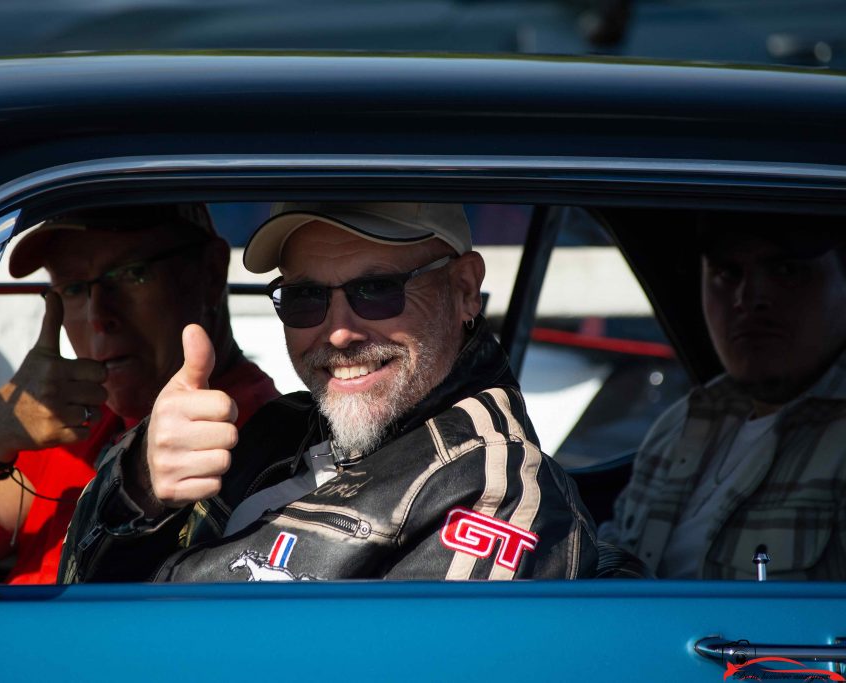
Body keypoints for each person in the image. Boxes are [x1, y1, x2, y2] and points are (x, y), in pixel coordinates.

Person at [60, 201, 598, 584]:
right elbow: (82, 603)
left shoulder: (493, 489)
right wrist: (140, 486)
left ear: (463, 290)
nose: (339, 331)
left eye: (377, 290)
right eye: (305, 297)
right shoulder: (275, 431)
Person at [0, 204, 279, 584]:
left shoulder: (267, 447)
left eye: (131, 274)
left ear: (209, 274)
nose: (98, 314)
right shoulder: (75, 426)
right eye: (74, 288)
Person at [599, 212, 846, 580]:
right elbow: (612, 561)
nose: (749, 298)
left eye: (787, 271)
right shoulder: (683, 423)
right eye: (727, 273)